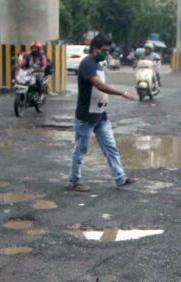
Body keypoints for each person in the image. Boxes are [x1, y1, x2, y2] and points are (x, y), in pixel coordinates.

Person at [67, 33, 137, 192]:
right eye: (105, 50)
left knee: (111, 148)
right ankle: (74, 180)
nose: (107, 53)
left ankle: (120, 178)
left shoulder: (98, 65)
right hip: (86, 117)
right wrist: (121, 93)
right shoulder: (87, 64)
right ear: (95, 49)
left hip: (100, 116)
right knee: (80, 150)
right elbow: (100, 85)